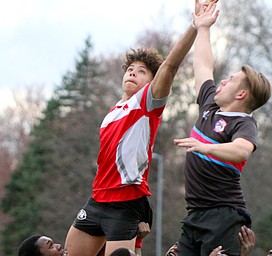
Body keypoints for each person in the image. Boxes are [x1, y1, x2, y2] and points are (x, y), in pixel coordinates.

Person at [64, 0, 215, 255]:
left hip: (127, 203)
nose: (133, 73)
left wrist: (195, 26)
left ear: (153, 81)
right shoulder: (112, 112)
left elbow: (170, 65)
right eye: (130, 69)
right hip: (97, 199)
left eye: (142, 71)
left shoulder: (146, 104)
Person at [173, 1, 272, 255]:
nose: (223, 80)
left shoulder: (243, 123)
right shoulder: (209, 104)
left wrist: (204, 147)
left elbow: (242, 151)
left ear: (240, 93)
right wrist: (203, 27)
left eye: (230, 80)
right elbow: (204, 66)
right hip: (194, 215)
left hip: (224, 216)